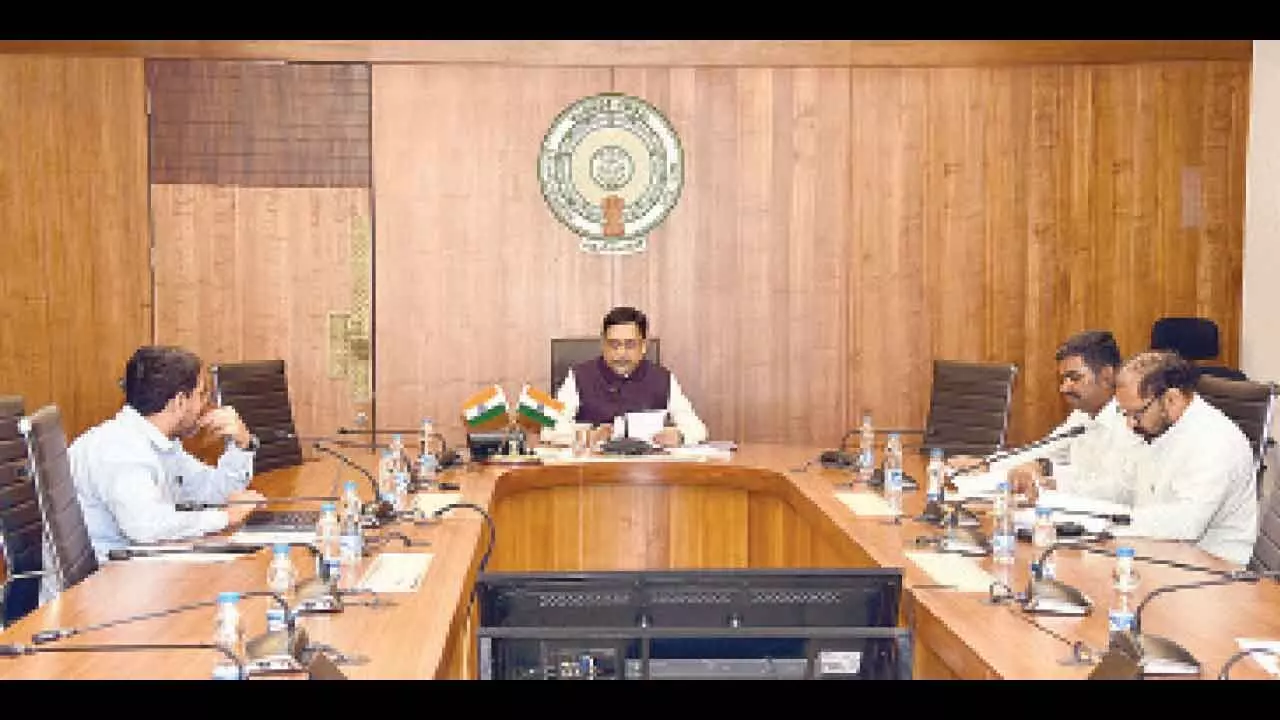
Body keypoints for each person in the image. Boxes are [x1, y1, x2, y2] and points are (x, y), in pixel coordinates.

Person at [69, 345, 266, 562]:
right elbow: (145, 527)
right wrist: (224, 518)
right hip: (102, 585)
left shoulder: (161, 444)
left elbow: (215, 491)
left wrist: (242, 445)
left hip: (141, 569)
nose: (207, 405)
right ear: (180, 402)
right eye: (201, 395)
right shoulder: (120, 449)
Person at [1108, 350, 1258, 566]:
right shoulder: (1161, 429)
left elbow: (1185, 524)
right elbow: (1125, 484)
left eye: (1136, 414)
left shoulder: (1214, 441)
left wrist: (1109, 526)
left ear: (1172, 399)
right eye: (1126, 414)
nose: (1130, 424)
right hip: (1163, 552)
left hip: (1212, 571)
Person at [543, 306, 708, 448]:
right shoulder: (578, 376)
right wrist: (587, 435)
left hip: (646, 474)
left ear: (643, 346)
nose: (621, 353)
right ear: (603, 345)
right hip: (592, 473)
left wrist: (678, 435)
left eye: (629, 345)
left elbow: (698, 428)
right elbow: (548, 428)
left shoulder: (662, 378)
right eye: (614, 345)